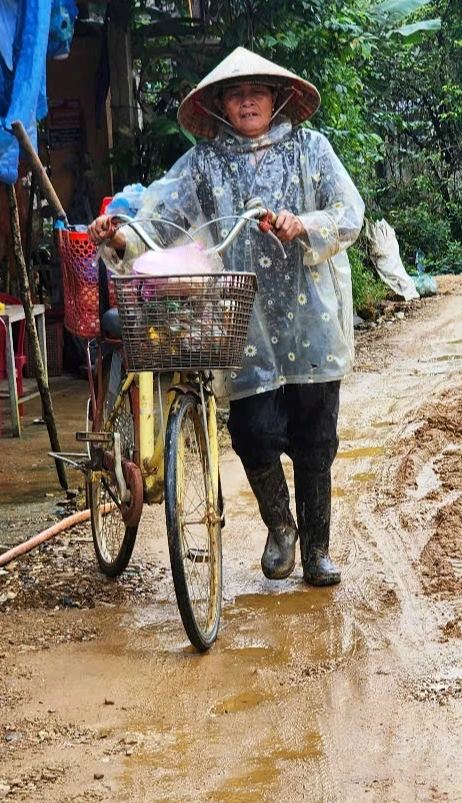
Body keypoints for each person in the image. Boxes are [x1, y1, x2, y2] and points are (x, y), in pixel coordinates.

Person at [88, 47, 364, 587]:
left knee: (316, 436)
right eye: (235, 93)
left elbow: (348, 212)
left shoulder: (312, 149)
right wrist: (119, 234)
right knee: (253, 431)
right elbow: (159, 222)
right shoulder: (203, 164)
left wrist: (302, 224)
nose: (247, 101)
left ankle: (318, 551)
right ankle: (281, 526)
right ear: (220, 104)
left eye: (256, 91)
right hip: (243, 321)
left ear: (277, 96)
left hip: (312, 319)